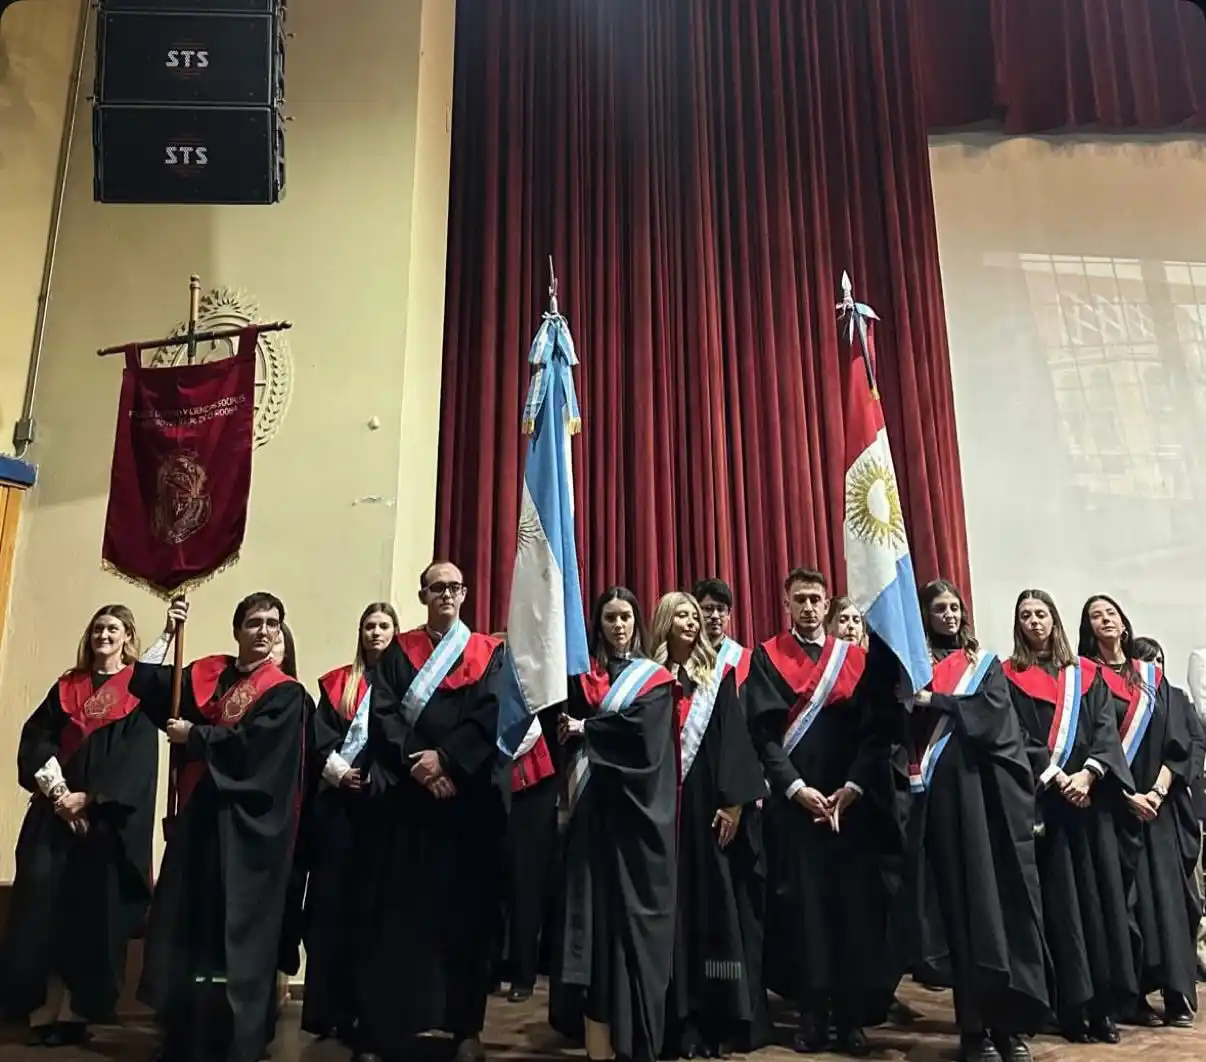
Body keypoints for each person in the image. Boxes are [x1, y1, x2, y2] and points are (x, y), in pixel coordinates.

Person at [131, 592, 308, 1062]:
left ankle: (236, 1040)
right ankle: (184, 1033)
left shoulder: (287, 694)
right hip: (198, 825)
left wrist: (198, 736)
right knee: (190, 930)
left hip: (247, 836)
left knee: (236, 942)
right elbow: (147, 685)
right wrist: (169, 632)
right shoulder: (209, 675)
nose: (265, 631)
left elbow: (258, 749)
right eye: (254, 623)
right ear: (238, 631)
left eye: (273, 623)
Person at [352, 563, 506, 1062]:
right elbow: (384, 714)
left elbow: (490, 715)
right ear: (422, 594)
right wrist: (419, 765)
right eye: (437, 587)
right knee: (397, 919)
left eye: (455, 587)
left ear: (465, 594)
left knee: (467, 919)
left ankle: (464, 1029)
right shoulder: (399, 651)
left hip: (467, 809)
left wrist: (448, 761)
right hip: (409, 805)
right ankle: (386, 1028)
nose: (446, 593)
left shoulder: (489, 653)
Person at [745, 568, 899, 1057]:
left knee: (850, 913)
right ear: (786, 603)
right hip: (797, 809)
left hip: (850, 809)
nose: (809, 608)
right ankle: (811, 1014)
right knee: (802, 913)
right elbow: (763, 736)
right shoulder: (768, 658)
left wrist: (852, 789)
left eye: (816, 599)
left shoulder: (855, 660)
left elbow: (877, 733)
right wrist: (795, 789)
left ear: (827, 604)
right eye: (800, 600)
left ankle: (850, 1018)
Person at [3, 604, 162, 1046]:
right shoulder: (67, 687)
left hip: (102, 827)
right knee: (40, 912)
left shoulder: (139, 694)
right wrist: (59, 796)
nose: (103, 635)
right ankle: (42, 1005)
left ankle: (77, 1009)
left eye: (113, 629)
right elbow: (36, 740)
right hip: (53, 820)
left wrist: (90, 799)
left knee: (89, 918)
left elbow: (137, 761)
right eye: (97, 628)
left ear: (127, 636)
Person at [903, 579, 1048, 1062]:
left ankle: (1010, 1027)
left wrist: (940, 702)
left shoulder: (982, 666)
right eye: (939, 608)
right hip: (945, 805)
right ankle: (975, 1030)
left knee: (1003, 911)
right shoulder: (914, 667)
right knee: (965, 914)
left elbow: (998, 723)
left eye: (954, 607)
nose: (948, 615)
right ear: (924, 615)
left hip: (990, 802)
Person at [1002, 590, 1134, 1044]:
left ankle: (1103, 1008)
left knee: (1098, 906)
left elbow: (1105, 731)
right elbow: (1014, 736)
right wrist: (1058, 777)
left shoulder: (1087, 675)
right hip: (1047, 809)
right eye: (1025, 616)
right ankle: (1069, 1007)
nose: (1034, 622)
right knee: (1060, 909)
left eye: (1041, 614)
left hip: (1089, 806)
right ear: (1017, 624)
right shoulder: (1009, 677)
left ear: (1055, 619)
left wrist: (1090, 775)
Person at [552, 586, 676, 1062]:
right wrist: (576, 729)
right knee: (593, 925)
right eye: (610, 618)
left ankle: (638, 1039)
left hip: (637, 818)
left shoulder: (655, 680)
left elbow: (644, 741)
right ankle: (596, 1043)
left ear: (637, 622)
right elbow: (563, 729)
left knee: (631, 927)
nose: (619, 625)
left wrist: (591, 730)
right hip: (593, 815)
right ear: (598, 625)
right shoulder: (583, 680)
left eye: (625, 617)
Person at [648, 592, 765, 1059]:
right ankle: (670, 1019)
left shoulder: (715, 679)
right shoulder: (646, 677)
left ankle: (714, 1016)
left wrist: (735, 804)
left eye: (696, 616)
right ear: (664, 621)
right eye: (683, 614)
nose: (694, 622)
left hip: (706, 813)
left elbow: (735, 742)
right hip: (657, 815)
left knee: (713, 915)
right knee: (667, 915)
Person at [1080, 597, 1198, 1028]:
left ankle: (1176, 993)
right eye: (1096, 615)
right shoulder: (1084, 678)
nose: (1105, 619)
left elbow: (1179, 740)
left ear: (1124, 623)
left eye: (1110, 612)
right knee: (1124, 903)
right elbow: (1089, 742)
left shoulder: (1153, 678)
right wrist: (1128, 794)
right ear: (1088, 628)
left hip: (1158, 808)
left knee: (1166, 901)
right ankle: (1132, 997)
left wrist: (1158, 791)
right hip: (1113, 807)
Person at [299, 602, 399, 1042]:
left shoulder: (406, 685)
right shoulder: (340, 682)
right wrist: (340, 773)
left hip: (384, 810)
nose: (376, 633)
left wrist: (376, 778)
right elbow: (319, 736)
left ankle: (369, 1010)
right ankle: (326, 1009)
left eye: (384, 626)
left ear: (396, 632)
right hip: (338, 806)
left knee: (374, 911)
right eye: (369, 626)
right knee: (330, 906)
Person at [691, 577, 769, 1050]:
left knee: (740, 913)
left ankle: (740, 1012)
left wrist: (740, 799)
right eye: (706, 608)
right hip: (695, 806)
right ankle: (703, 1009)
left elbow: (757, 734)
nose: (714, 616)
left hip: (742, 805)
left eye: (722, 609)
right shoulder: (676, 664)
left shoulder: (745, 663)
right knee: (702, 913)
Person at [499, 628, 560, 1006]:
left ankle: (523, 974)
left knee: (527, 885)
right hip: (493, 790)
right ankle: (490, 968)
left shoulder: (544, 689)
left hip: (533, 794)